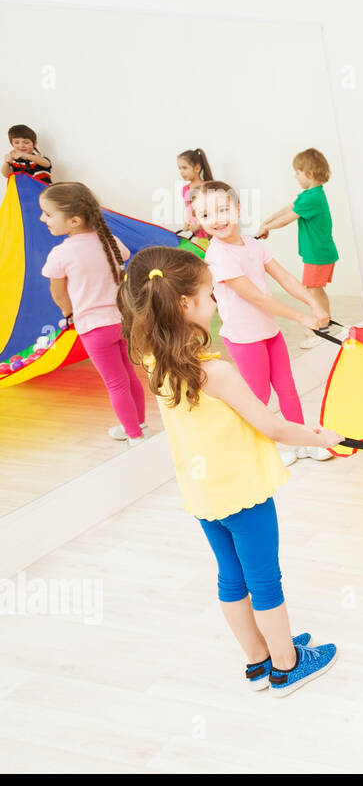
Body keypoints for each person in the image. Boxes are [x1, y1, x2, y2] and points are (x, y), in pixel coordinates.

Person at [117, 245, 341, 696]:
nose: (216, 302)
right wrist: (320, 437)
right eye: (209, 294)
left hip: (203, 494)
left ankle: (257, 660)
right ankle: (286, 664)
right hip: (242, 492)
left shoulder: (151, 360)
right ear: (185, 305)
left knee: (231, 578)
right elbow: (273, 427)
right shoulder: (215, 374)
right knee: (264, 580)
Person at [191, 180, 331, 465]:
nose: (216, 219)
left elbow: (285, 278)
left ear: (238, 209)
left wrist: (313, 302)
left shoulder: (253, 245)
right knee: (258, 395)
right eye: (206, 215)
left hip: (269, 332)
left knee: (287, 388)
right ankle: (267, 444)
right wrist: (301, 316)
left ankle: (302, 439)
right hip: (244, 338)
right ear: (199, 221)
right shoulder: (217, 256)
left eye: (222, 210)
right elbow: (255, 297)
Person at [39, 182, 148, 443]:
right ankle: (138, 423)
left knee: (115, 383)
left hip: (93, 329)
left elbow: (58, 294)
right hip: (122, 322)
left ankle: (134, 435)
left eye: (48, 214)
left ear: (74, 220)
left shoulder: (60, 253)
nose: (43, 218)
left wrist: (68, 312)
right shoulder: (111, 241)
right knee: (128, 374)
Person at [256, 148, 340, 349]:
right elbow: (287, 209)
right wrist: (266, 222)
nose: (295, 176)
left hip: (318, 253)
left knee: (312, 292)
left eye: (298, 172)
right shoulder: (310, 195)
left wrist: (268, 227)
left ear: (309, 174)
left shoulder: (313, 198)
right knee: (314, 290)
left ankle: (322, 328)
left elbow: (287, 219)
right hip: (318, 252)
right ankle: (323, 324)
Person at [176, 147, 214, 241]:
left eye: (184, 168)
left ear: (197, 168)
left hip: (210, 234)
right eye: (179, 168)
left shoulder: (206, 187)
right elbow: (188, 210)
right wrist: (187, 224)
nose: (181, 172)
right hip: (197, 236)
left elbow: (212, 211)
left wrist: (199, 225)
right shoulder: (185, 189)